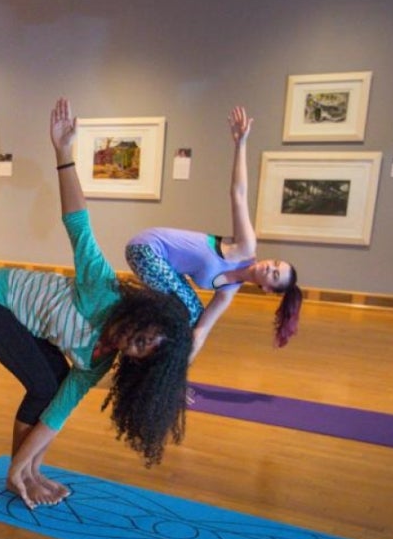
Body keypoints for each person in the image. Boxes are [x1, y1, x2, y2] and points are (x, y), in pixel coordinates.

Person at [0, 97, 192, 510]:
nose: (130, 340)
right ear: (139, 313)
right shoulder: (102, 289)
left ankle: (26, 472)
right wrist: (63, 152)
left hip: (20, 316)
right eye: (138, 332)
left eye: (138, 348)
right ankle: (19, 473)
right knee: (43, 383)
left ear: (136, 364)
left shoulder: (97, 360)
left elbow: (58, 413)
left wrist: (26, 464)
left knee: (53, 388)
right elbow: (78, 221)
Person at [125, 106, 303, 367]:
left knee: (191, 319)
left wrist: (181, 374)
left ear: (266, 289)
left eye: (274, 275)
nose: (269, 267)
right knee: (191, 310)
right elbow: (238, 194)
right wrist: (241, 144)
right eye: (275, 264)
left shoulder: (227, 292)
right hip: (146, 248)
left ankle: (151, 363)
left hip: (154, 261)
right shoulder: (245, 247)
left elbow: (201, 332)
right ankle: (138, 340)